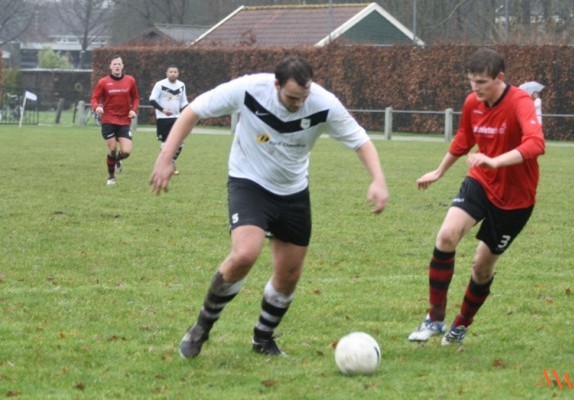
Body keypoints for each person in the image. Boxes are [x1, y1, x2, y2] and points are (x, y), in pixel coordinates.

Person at [149, 55, 389, 358]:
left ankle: (262, 339)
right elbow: (193, 111)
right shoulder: (249, 89)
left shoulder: (324, 103)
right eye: (292, 97)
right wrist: (166, 157)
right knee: (245, 254)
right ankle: (201, 328)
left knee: (289, 275)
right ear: (276, 85)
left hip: (293, 191)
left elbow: (360, 141)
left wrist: (378, 179)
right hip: (248, 182)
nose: (299, 104)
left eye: (303, 97)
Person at [408, 48, 545, 346]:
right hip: (480, 182)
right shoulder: (473, 102)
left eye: (481, 82)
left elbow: (536, 144)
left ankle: (461, 324)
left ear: (500, 78)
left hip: (516, 200)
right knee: (446, 236)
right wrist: (439, 171)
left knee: (481, 268)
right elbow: (464, 139)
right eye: (471, 81)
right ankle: (435, 318)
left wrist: (496, 161)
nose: (475, 88)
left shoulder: (520, 101)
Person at [90, 55, 139, 186]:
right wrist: (96, 107)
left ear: (122, 66)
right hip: (108, 120)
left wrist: (133, 110)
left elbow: (135, 98)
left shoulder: (130, 81)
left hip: (124, 121)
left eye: (119, 64)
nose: (117, 66)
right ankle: (111, 177)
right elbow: (94, 98)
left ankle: (117, 159)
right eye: (114, 64)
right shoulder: (103, 82)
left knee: (126, 152)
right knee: (112, 149)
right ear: (110, 67)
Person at [149, 65, 189, 175]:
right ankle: (164, 166)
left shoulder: (181, 85)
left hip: (177, 117)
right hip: (163, 118)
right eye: (170, 72)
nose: (173, 74)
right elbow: (152, 100)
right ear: (167, 73)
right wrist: (163, 109)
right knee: (166, 143)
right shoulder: (160, 84)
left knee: (180, 142)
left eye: (175, 72)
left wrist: (188, 111)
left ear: (178, 73)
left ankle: (171, 161)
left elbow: (184, 102)